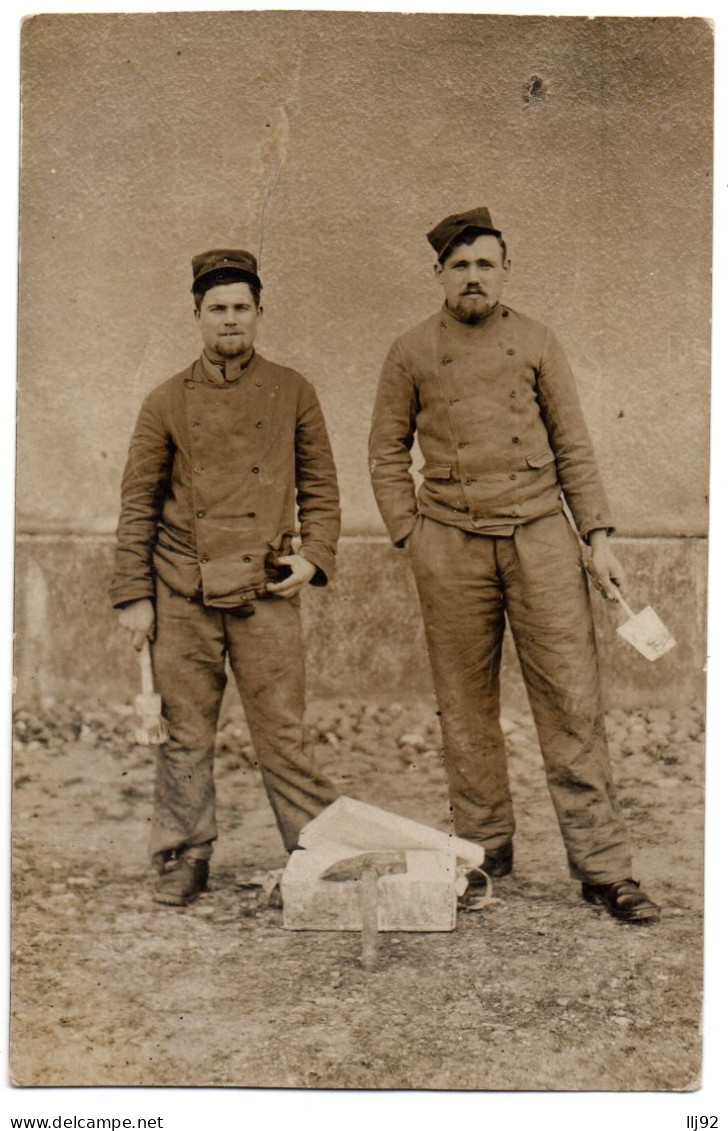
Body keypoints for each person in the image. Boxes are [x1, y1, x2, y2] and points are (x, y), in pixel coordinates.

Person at [368, 207, 659, 924]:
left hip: (542, 542)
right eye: (460, 265)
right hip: (452, 545)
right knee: (466, 710)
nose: (473, 277)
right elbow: (384, 452)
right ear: (439, 274)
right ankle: (480, 855)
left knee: (571, 701)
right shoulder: (409, 351)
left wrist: (598, 535)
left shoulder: (536, 342)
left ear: (505, 270)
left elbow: (575, 447)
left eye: (485, 264)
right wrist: (413, 536)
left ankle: (604, 869)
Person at [111, 248, 340, 906]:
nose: (231, 320)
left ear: (260, 313)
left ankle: (315, 850)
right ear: (197, 316)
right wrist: (133, 595)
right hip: (182, 589)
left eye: (242, 308)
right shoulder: (164, 401)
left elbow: (322, 489)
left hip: (266, 591)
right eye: (218, 309)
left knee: (283, 731)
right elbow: (137, 504)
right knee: (184, 732)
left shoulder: (294, 390)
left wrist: (315, 555)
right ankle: (185, 852)